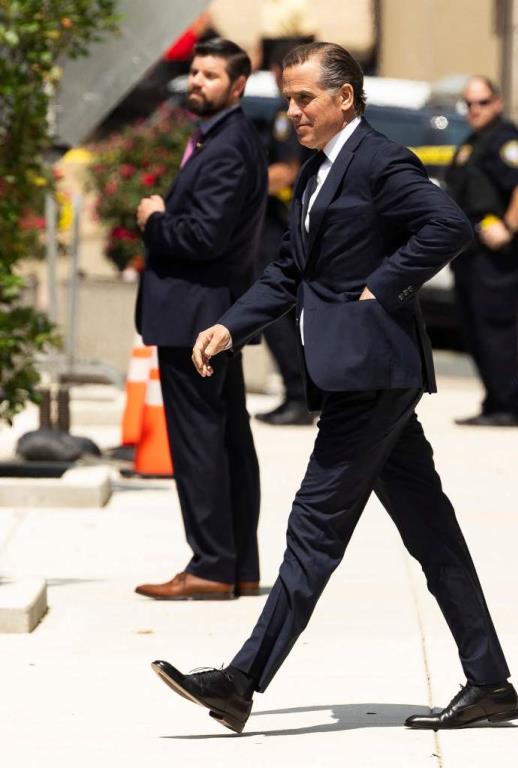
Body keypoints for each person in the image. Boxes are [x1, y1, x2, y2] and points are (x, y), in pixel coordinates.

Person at [151, 42, 518, 733]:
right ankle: (491, 682)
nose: (292, 112)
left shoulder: (379, 160)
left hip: (375, 374)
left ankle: (240, 680)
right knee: (432, 536)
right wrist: (230, 327)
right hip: (360, 375)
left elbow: (447, 224)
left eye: (303, 99)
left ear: (344, 97)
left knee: (313, 527)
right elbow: (290, 269)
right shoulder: (320, 171)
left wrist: (384, 282)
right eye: (288, 99)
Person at [134, 38, 267, 600]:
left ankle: (212, 565)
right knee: (224, 437)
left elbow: (205, 236)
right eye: (193, 71)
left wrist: (156, 219)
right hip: (206, 313)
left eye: (210, 75)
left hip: (199, 315)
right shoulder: (214, 137)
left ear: (237, 86)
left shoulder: (230, 145)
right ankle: (235, 565)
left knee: (201, 442)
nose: (197, 81)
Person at [445, 75, 518, 427]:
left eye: (482, 102)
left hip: (498, 257)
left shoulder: (506, 140)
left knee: (495, 330)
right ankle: (495, 401)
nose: (474, 109)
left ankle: (511, 406)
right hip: (472, 254)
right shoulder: (475, 142)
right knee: (475, 330)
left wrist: (509, 227)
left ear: (497, 103)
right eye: (468, 104)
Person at [255, 41, 314, 426]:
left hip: (285, 224)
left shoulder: (290, 114)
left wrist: (241, 186)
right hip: (286, 220)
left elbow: (288, 170)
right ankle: (298, 394)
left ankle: (299, 395)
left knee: (277, 310)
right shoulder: (286, 112)